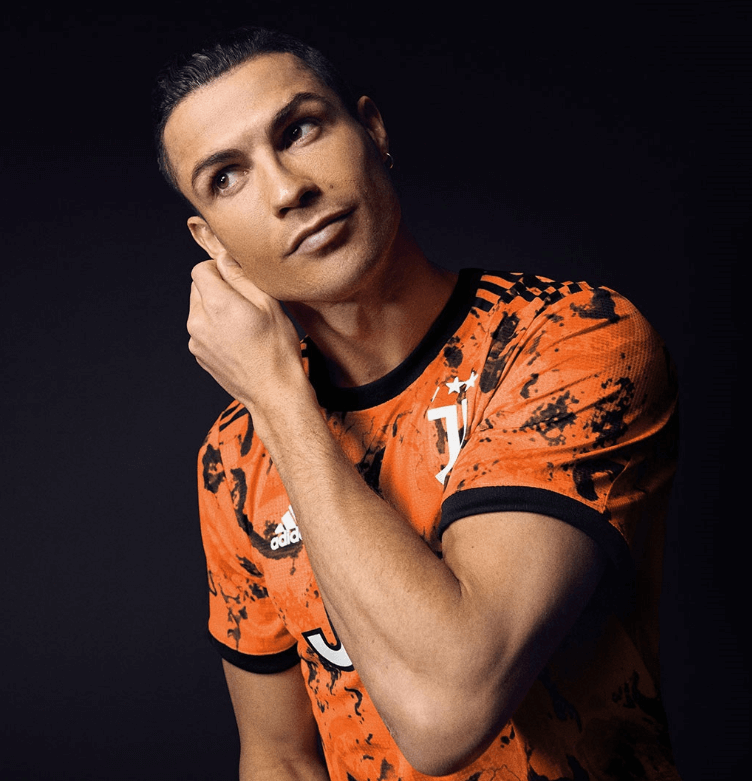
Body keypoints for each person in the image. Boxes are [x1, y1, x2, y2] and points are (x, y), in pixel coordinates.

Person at [154, 26, 681, 781]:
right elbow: (280, 755)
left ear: (373, 130)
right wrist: (271, 407)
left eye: (299, 130)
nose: (287, 190)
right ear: (213, 243)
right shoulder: (232, 458)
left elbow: (448, 712)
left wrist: (276, 398)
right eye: (227, 176)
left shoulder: (570, 339)